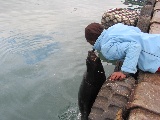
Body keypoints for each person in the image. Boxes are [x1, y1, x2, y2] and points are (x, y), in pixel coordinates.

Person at [85, 22, 160, 81]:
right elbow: (136, 30)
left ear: (92, 41)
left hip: (155, 56)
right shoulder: (116, 27)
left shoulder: (106, 49)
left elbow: (134, 46)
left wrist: (124, 71)